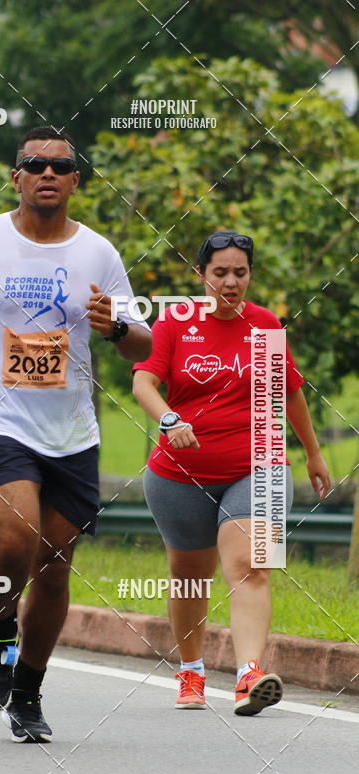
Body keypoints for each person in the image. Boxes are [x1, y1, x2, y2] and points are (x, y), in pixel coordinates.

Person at [0, 126, 151, 742]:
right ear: (16, 176)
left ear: (76, 180)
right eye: (33, 164)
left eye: (60, 166)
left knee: (52, 568)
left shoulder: (98, 253)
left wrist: (114, 328)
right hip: (0, 419)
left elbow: (142, 339)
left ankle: (28, 692)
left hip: (73, 431)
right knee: (15, 541)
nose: (46, 174)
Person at [132, 231, 330, 715]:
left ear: (250, 276)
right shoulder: (176, 322)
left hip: (259, 464)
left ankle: (249, 676)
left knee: (251, 565)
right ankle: (192, 672)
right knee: (189, 578)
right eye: (219, 272)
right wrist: (170, 419)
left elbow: (291, 391)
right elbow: (143, 381)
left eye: (240, 272)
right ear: (201, 276)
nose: (230, 282)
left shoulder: (265, 325)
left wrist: (313, 453)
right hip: (179, 475)